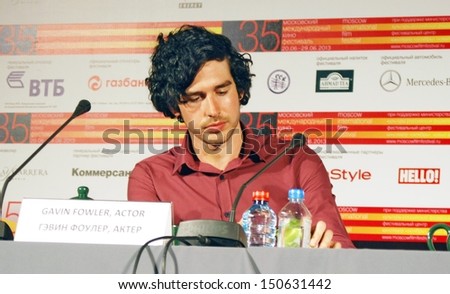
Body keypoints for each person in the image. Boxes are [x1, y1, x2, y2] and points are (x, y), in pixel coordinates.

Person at [128, 24, 355, 249]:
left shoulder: (295, 160)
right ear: (174, 106)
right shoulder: (151, 178)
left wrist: (331, 253)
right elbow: (148, 268)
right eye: (195, 98)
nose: (213, 109)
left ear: (241, 90)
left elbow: (341, 252)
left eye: (222, 91)